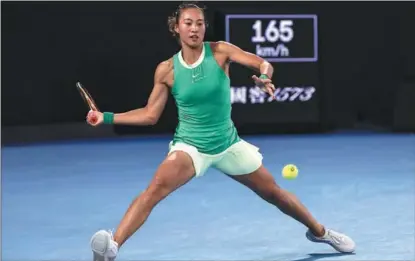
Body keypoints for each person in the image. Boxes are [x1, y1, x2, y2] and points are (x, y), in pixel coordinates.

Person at [86, 2, 355, 260]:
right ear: (176, 28)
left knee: (274, 193)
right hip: (190, 146)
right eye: (188, 23)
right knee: (155, 189)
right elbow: (149, 114)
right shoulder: (166, 70)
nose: (194, 29)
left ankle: (320, 233)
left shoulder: (220, 51)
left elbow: (262, 63)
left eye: (199, 24)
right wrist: (106, 117)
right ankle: (113, 246)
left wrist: (264, 78)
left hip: (228, 144)